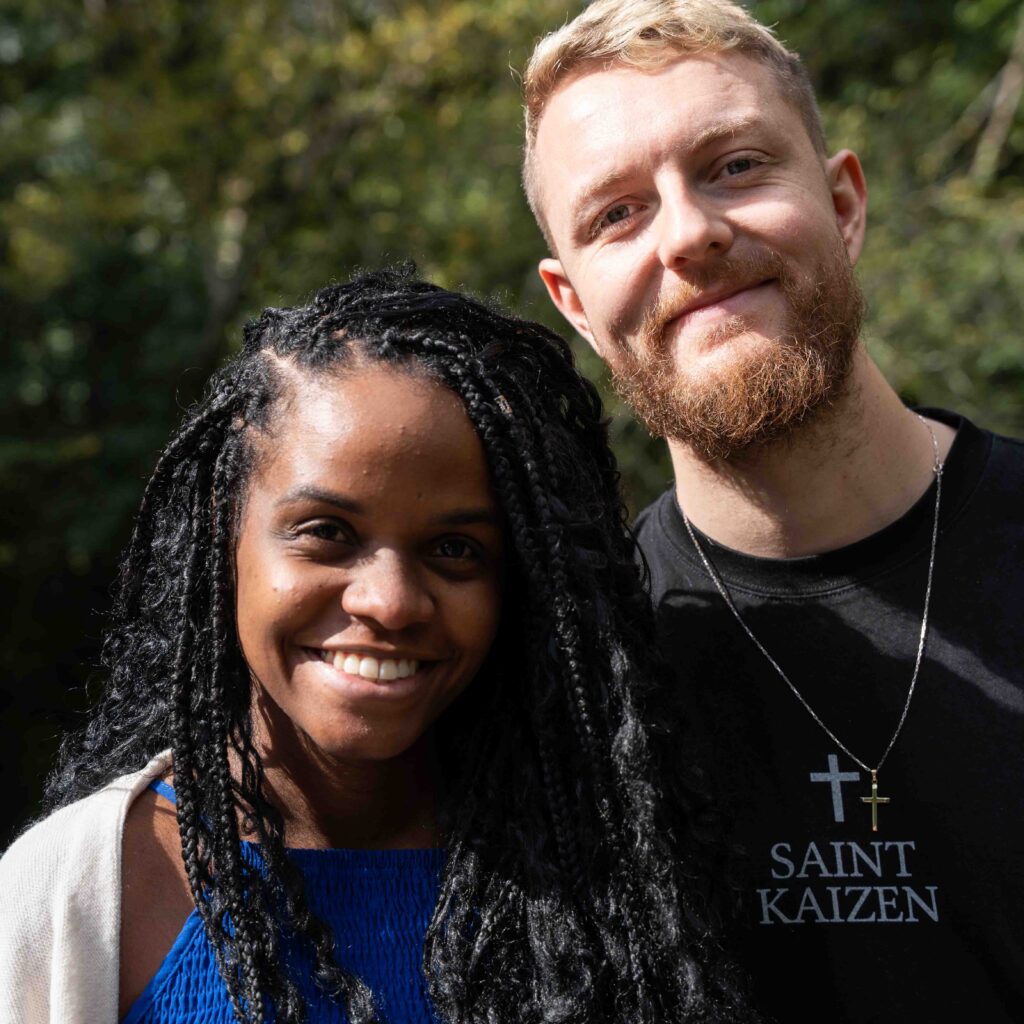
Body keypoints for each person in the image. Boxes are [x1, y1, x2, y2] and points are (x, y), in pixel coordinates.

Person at [0, 267, 756, 1024]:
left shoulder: (609, 885)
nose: (390, 602)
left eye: (456, 549)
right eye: (327, 533)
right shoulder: (79, 890)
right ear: (221, 541)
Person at [521, 1, 1024, 1021]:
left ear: (842, 203)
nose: (692, 235)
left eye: (736, 166)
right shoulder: (574, 679)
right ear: (572, 302)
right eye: (616, 213)